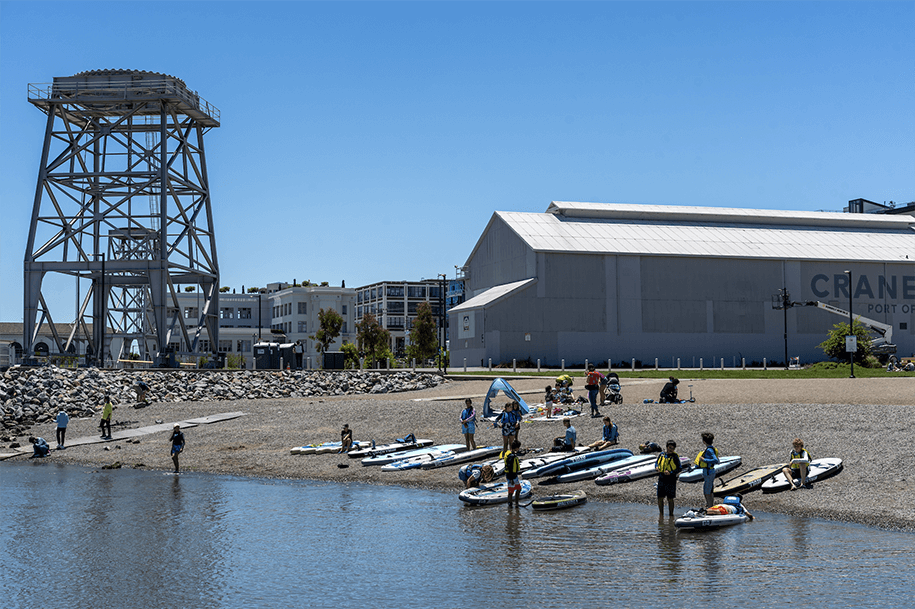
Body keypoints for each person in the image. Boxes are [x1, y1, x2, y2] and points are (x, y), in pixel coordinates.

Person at [655, 440, 683, 516]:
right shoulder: (661, 455)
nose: (671, 449)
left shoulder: (675, 457)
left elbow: (679, 468)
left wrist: (671, 472)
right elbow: (657, 462)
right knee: (660, 498)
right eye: (670, 447)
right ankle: (661, 514)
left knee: (670, 498)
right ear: (667, 447)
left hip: (671, 479)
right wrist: (657, 467)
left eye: (673, 448)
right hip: (661, 478)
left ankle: (671, 514)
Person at [695, 432, 720, 507]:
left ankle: (710, 506)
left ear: (704, 442)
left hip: (709, 472)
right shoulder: (711, 449)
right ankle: (710, 505)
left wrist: (704, 460)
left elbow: (715, 460)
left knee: (707, 491)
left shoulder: (709, 450)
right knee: (710, 490)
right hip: (709, 472)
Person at [504, 440, 522, 507]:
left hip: (513, 475)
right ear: (516, 448)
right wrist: (511, 479)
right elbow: (510, 468)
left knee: (518, 489)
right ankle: (511, 505)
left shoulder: (509, 453)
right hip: (511, 476)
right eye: (518, 447)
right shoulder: (511, 457)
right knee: (511, 491)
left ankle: (515, 504)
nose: (519, 449)